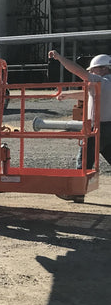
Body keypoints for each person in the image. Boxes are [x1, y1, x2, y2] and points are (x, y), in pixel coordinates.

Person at [48, 51, 111, 200]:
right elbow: (90, 93)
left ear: (103, 68)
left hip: (96, 127)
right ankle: (77, 192)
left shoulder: (101, 82)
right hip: (108, 127)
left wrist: (60, 58)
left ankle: (77, 193)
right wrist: (69, 95)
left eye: (93, 69)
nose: (91, 72)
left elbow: (78, 71)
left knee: (83, 161)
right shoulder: (105, 84)